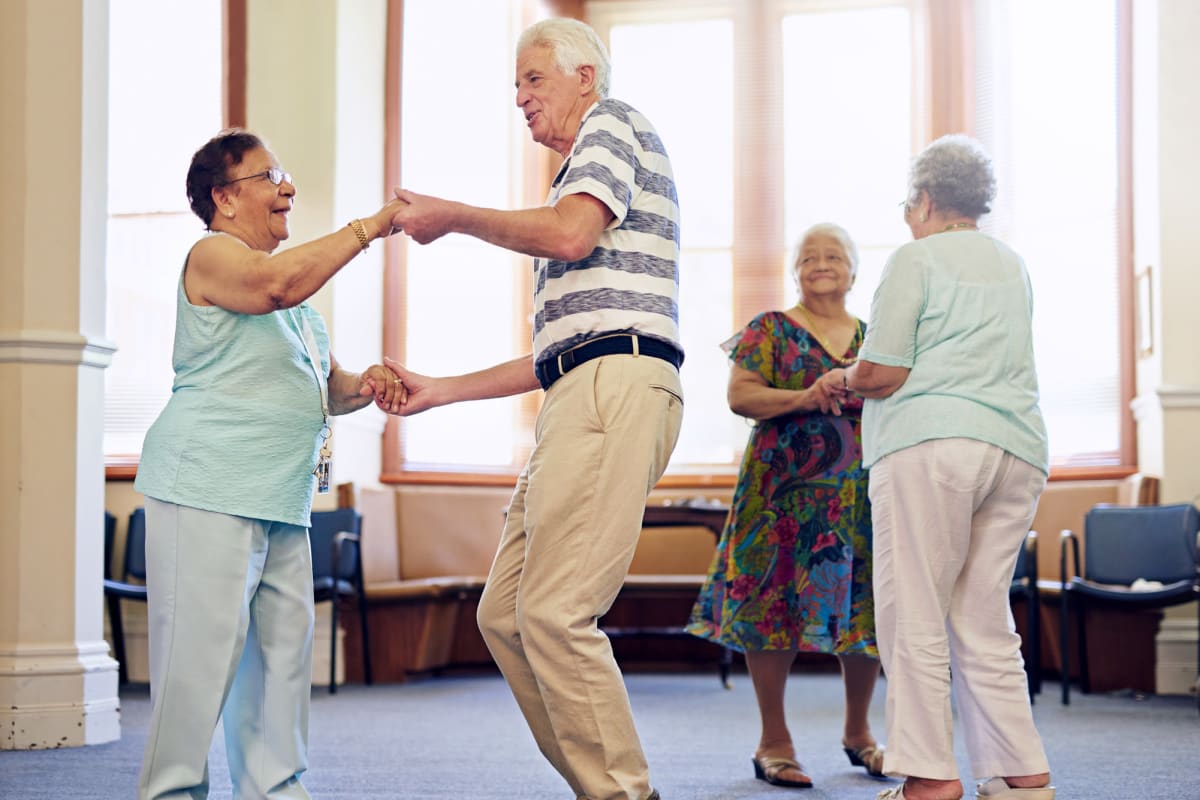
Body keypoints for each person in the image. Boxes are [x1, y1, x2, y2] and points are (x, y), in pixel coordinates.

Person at [386, 18, 682, 800]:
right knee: (507, 614)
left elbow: (572, 237)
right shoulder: (575, 176)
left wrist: (452, 217)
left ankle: (624, 795)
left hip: (616, 386)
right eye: (516, 85)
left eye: (533, 79)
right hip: (581, 388)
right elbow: (558, 352)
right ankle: (603, 788)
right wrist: (442, 389)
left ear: (586, 77)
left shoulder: (611, 125)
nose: (519, 98)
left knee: (553, 613)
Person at [133, 128, 407, 800]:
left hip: (281, 498)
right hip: (206, 487)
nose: (287, 188)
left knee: (283, 662)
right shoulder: (213, 257)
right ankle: (170, 794)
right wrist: (373, 226)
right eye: (270, 176)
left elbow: (326, 387)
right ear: (224, 198)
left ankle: (274, 791)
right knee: (199, 665)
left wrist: (365, 384)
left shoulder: (301, 313)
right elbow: (274, 285)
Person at [819, 134, 1054, 800]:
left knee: (913, 612)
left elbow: (886, 371)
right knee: (982, 615)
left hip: (932, 445)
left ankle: (929, 777)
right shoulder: (1012, 264)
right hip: (1016, 450)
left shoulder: (915, 259)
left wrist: (846, 377)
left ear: (924, 200)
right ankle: (1022, 772)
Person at [687, 223, 885, 790]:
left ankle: (860, 734)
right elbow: (739, 395)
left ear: (853, 268)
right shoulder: (770, 329)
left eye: (834, 255)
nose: (822, 264)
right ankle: (774, 741)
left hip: (856, 497)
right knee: (770, 607)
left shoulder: (876, 337)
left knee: (861, 609)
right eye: (809, 256)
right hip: (777, 497)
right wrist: (806, 396)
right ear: (794, 269)